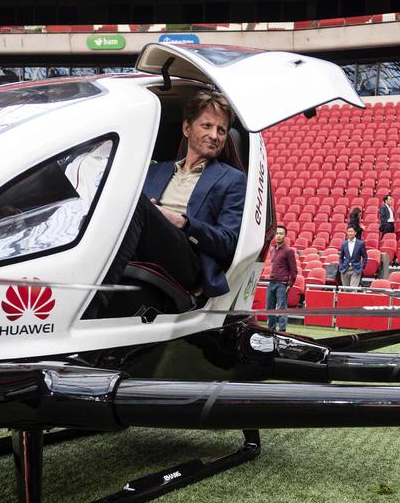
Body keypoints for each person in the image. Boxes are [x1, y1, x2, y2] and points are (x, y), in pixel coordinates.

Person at [103, 88, 245, 308]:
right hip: (143, 243)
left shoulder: (233, 179)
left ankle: (94, 302)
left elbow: (227, 241)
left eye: (221, 130)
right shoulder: (154, 171)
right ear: (187, 128)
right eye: (207, 126)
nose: (215, 136)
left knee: (137, 204)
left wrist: (182, 222)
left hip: (189, 258)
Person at [265, 225, 298, 332]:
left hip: (282, 284)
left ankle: (282, 331)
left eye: (281, 234)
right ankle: (271, 330)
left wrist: (290, 284)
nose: (278, 236)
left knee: (281, 309)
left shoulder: (289, 251)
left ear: (285, 236)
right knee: (270, 309)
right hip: (271, 283)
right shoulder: (272, 250)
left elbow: (294, 270)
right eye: (277, 233)